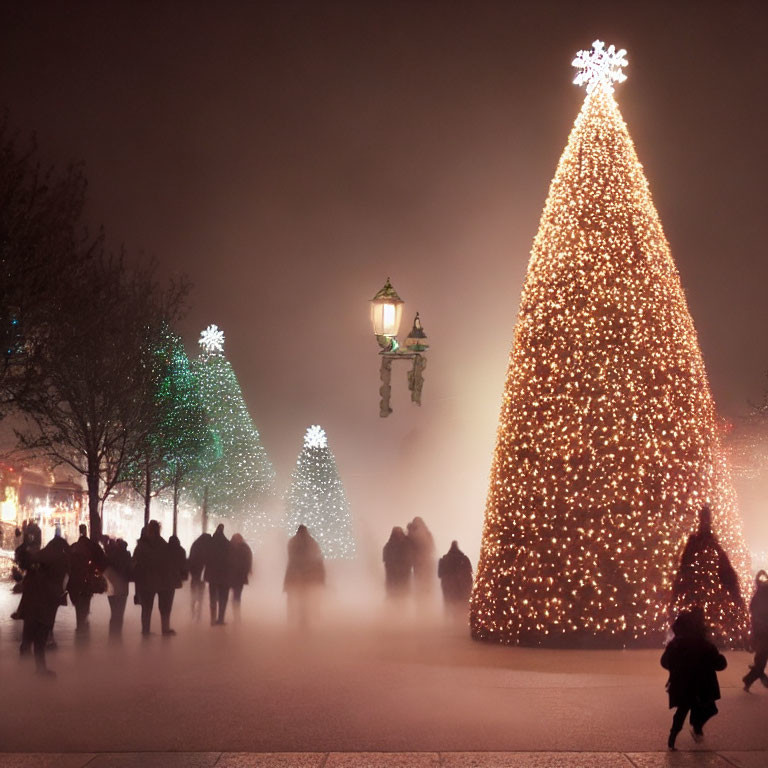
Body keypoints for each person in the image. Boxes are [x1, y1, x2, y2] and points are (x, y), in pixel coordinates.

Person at [661, 609, 727, 750]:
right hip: (702, 686)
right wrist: (721, 661)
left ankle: (673, 737)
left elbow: (664, 661)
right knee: (708, 708)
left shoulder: (675, 644)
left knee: (682, 711)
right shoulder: (704, 645)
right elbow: (718, 663)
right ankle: (697, 726)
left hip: (682, 685)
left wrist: (675, 668)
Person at [20, 532, 70, 675]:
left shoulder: (42, 556)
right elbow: (63, 582)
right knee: (40, 637)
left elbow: (27, 566)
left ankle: (24, 667)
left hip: (32, 601)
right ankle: (40, 669)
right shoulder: (61, 559)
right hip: (47, 602)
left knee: (29, 634)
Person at [132, 520, 175, 636]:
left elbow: (135, 564)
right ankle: (165, 629)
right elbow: (168, 563)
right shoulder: (163, 545)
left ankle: (146, 631)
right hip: (163, 581)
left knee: (146, 608)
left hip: (145, 581)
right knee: (164, 608)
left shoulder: (141, 546)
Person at [284, 524, 325, 629]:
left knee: (295, 596)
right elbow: (317, 557)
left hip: (295, 573)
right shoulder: (311, 542)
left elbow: (291, 557)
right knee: (305, 597)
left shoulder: (293, 541)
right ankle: (303, 618)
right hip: (307, 574)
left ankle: (293, 616)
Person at [67, 523, 106, 632]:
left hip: (76, 580)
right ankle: (83, 620)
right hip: (86, 579)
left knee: (79, 603)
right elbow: (101, 559)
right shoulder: (91, 546)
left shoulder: (74, 547)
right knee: (85, 600)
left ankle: (80, 622)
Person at [743, 570, 768, 691]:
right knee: (761, 659)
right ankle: (753, 677)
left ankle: (751, 677)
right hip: (762, 633)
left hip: (761, 632)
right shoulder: (761, 596)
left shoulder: (759, 595)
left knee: (761, 659)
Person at [104, 538, 132, 636]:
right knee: (120, 613)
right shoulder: (127, 556)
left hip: (111, 587)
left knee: (114, 612)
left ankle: (113, 635)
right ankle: (117, 634)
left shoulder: (110, 556)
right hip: (123, 588)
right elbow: (130, 571)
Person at [437, 541, 473, 617]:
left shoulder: (444, 559)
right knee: (460, 602)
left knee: (448, 603)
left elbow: (439, 574)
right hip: (459, 586)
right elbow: (469, 572)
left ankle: (448, 619)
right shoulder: (463, 558)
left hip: (447, 586)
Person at [205, 524, 231, 625]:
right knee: (223, 598)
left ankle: (212, 619)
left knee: (213, 598)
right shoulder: (227, 544)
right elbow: (231, 560)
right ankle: (221, 619)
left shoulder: (210, 544)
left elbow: (206, 557)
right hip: (224, 576)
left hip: (212, 576)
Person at [407, 516, 436, 598]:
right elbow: (431, 547)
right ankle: (425, 601)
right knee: (424, 585)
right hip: (423, 563)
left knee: (422, 585)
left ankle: (423, 601)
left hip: (421, 563)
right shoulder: (427, 533)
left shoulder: (413, 535)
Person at [165, 534, 188, 632]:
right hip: (174, 580)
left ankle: (164, 626)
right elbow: (183, 566)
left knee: (164, 604)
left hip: (163, 579)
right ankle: (166, 626)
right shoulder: (181, 551)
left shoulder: (165, 550)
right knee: (168, 604)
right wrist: (183, 576)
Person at [382, 526, 413, 598]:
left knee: (399, 594)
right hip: (396, 576)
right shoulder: (390, 546)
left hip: (400, 575)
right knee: (397, 594)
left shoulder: (389, 546)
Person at [229, 533, 253, 622]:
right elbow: (249, 561)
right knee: (237, 596)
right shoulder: (245, 548)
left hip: (231, 575)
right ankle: (237, 616)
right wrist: (248, 571)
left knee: (234, 595)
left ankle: (235, 614)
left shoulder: (230, 547)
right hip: (241, 576)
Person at [188, 531, 211, 621]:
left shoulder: (195, 544)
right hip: (201, 574)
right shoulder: (205, 547)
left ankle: (193, 611)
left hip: (195, 573)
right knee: (200, 594)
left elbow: (191, 559)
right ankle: (198, 614)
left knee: (193, 594)